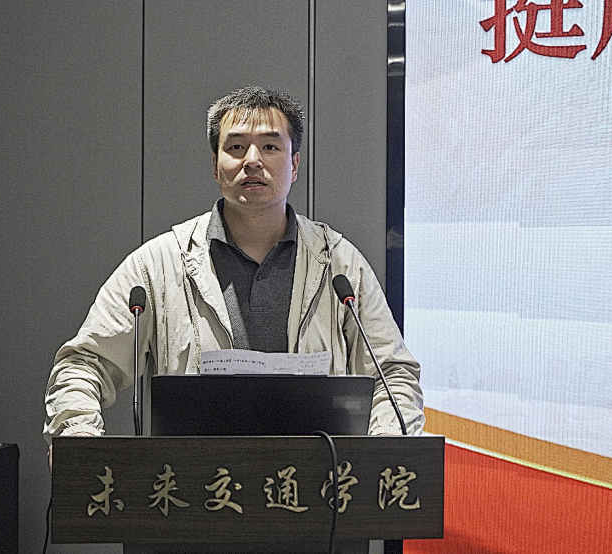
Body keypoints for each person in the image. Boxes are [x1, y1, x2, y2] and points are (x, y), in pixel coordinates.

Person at [43, 86, 424, 460]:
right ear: (215, 165)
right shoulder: (159, 263)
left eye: (270, 147)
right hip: (192, 483)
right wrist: (78, 440)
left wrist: (386, 452)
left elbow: (392, 373)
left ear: (294, 165)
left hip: (318, 485)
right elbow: (85, 363)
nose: (252, 160)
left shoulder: (339, 261)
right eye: (236, 147)